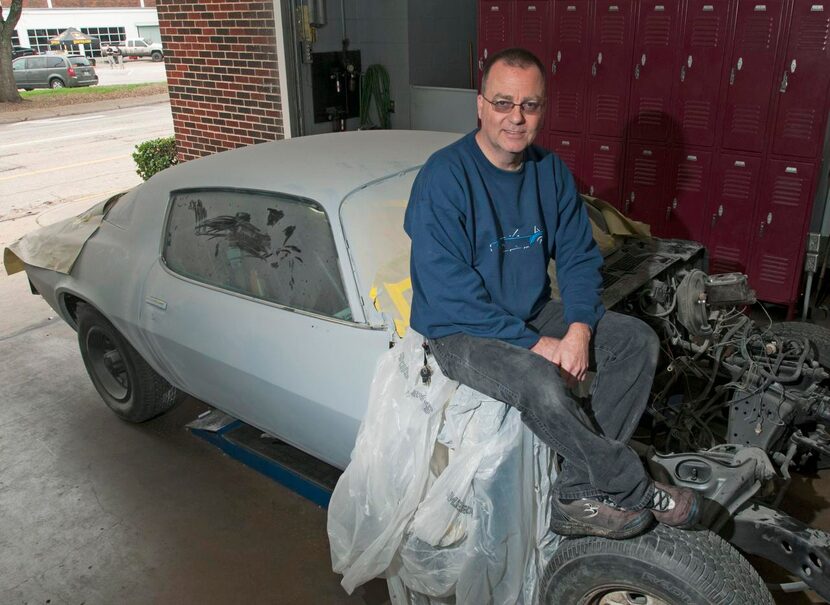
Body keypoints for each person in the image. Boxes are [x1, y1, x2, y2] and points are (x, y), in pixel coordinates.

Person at [404, 47, 700, 539]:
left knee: (636, 340)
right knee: (541, 380)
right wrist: (541, 345)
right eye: (503, 103)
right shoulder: (444, 177)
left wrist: (580, 328)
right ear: (480, 106)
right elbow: (449, 292)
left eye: (530, 105)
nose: (515, 118)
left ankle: (578, 490)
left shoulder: (550, 172)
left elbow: (580, 257)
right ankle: (630, 485)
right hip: (460, 331)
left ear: (542, 109)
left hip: (531, 312)